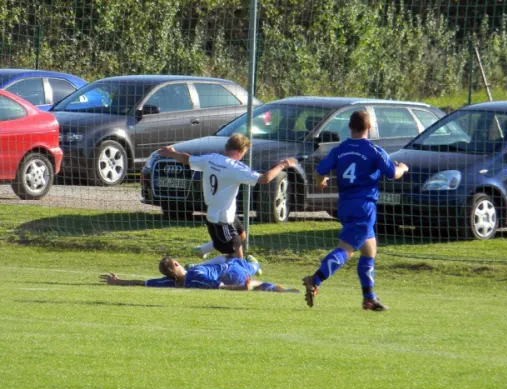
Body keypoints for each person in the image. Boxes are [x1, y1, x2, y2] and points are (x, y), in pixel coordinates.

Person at [302, 111, 409, 311]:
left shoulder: (340, 149)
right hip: (364, 208)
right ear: (369, 128)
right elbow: (393, 174)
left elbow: (319, 172)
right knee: (346, 250)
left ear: (349, 127)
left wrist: (321, 181)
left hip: (344, 206)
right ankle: (315, 279)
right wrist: (403, 167)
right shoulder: (374, 151)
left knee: (369, 250)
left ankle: (369, 298)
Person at [158, 134, 298, 260]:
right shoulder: (236, 168)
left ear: (227, 147)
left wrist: (172, 153)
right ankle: (240, 273)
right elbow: (264, 179)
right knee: (235, 251)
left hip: (223, 212)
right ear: (241, 151)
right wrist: (282, 165)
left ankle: (202, 250)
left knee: (241, 235)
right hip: (221, 219)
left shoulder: (211, 159)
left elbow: (187, 159)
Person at [100, 256, 299, 293]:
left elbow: (141, 283)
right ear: (176, 264)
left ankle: (254, 266)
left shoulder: (170, 283)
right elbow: (221, 287)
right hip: (231, 272)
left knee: (242, 265)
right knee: (256, 279)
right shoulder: (194, 275)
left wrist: (117, 282)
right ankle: (288, 290)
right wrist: (241, 288)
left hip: (227, 270)